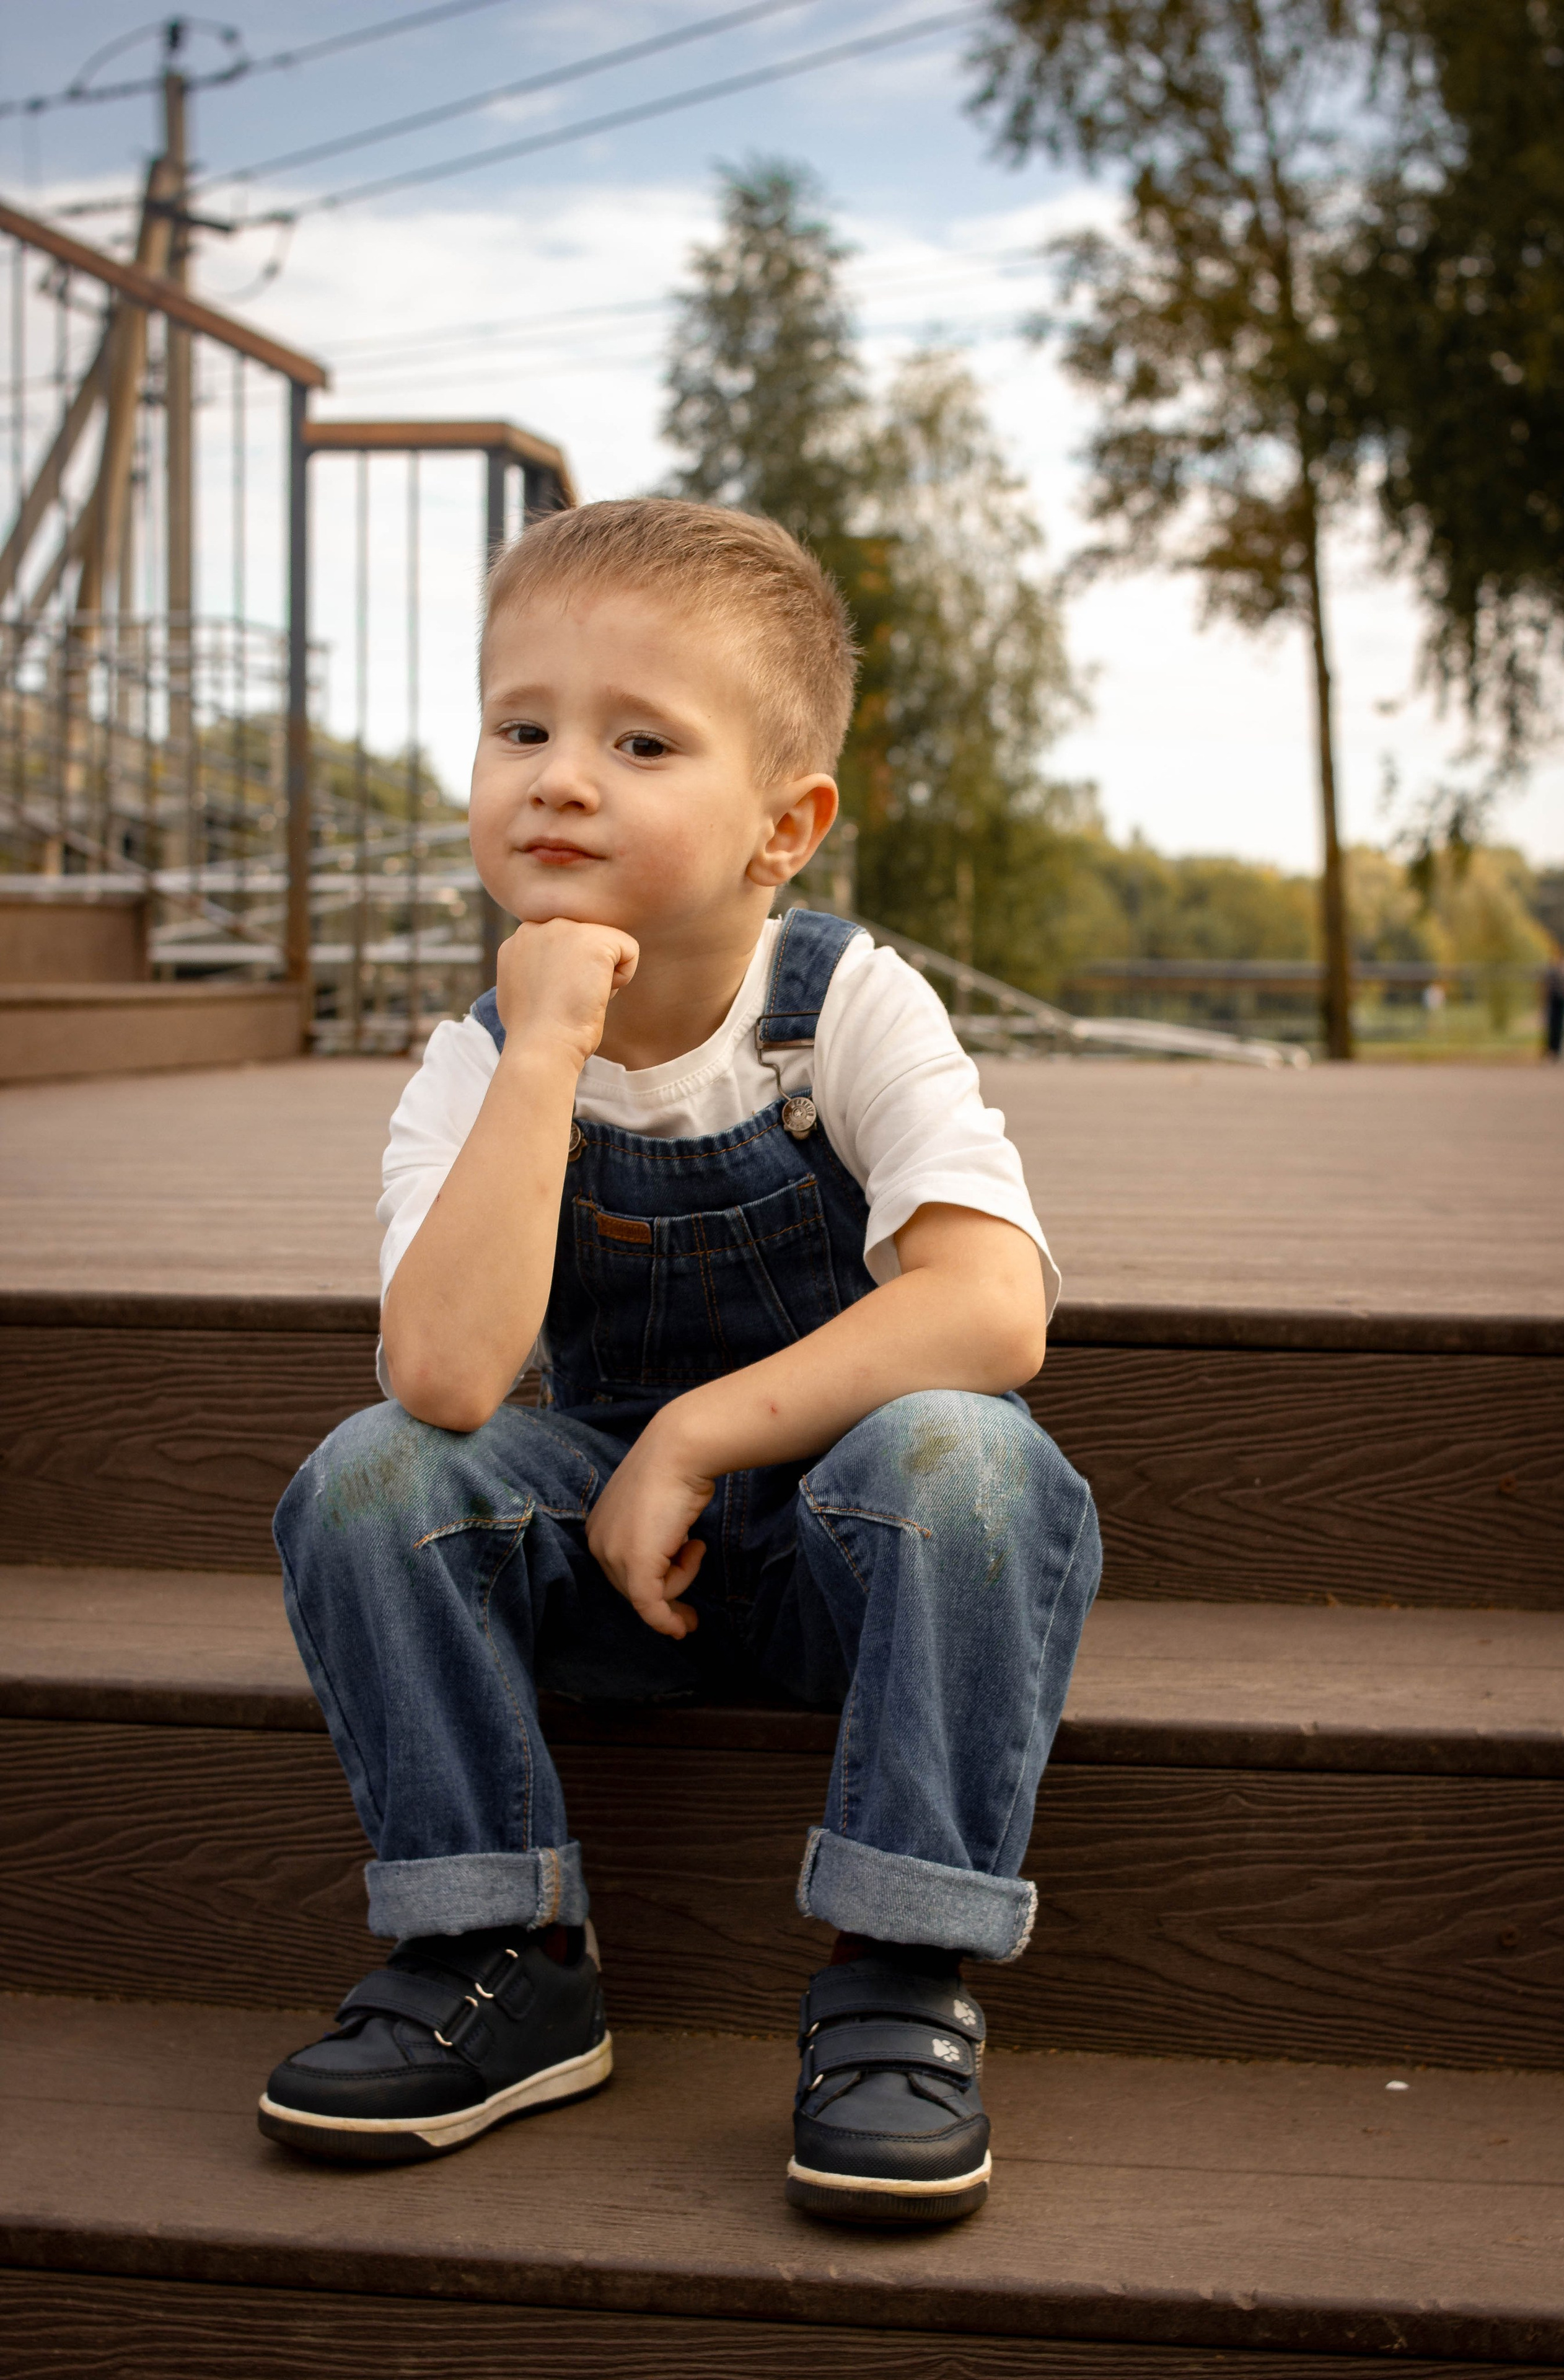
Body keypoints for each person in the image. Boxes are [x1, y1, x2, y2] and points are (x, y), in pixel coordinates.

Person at [260, 499, 1102, 2226]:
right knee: (364, 1479)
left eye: (640, 741)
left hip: (843, 1564)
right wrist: (548, 1050)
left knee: (973, 1453)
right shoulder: (479, 1060)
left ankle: (898, 1982)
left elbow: (993, 1304)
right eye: (523, 728)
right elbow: (440, 1377)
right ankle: (500, 1956)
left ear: (784, 827)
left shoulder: (847, 1008)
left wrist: (697, 1438)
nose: (562, 778)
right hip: (591, 1574)